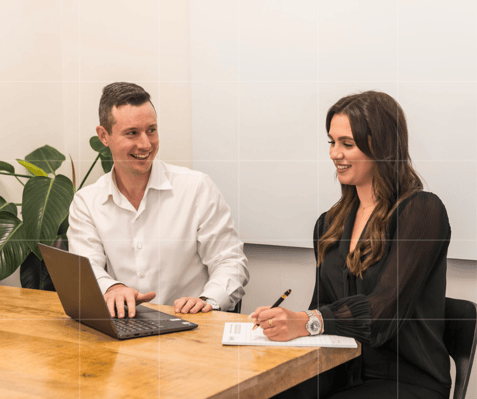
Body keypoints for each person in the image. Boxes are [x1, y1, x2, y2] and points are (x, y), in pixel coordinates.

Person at [251, 91, 451, 399]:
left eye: (348, 143)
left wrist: (308, 321)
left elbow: (384, 311)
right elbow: (322, 306)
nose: (334, 154)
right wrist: (288, 325)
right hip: (338, 368)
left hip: (404, 381)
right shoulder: (328, 223)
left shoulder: (421, 211)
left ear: (381, 146)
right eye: (332, 142)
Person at [67, 82, 249, 318]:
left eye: (151, 130)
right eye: (132, 133)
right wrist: (112, 288)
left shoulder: (196, 188)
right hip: (123, 327)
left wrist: (208, 300)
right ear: (104, 136)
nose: (145, 144)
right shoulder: (86, 202)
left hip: (191, 328)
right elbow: (86, 270)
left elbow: (229, 260)